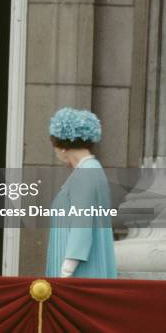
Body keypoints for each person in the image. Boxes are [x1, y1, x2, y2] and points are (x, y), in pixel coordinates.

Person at [46, 107, 117, 278]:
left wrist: (66, 271)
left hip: (79, 273)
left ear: (62, 146)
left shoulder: (85, 172)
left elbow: (82, 223)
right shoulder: (92, 169)